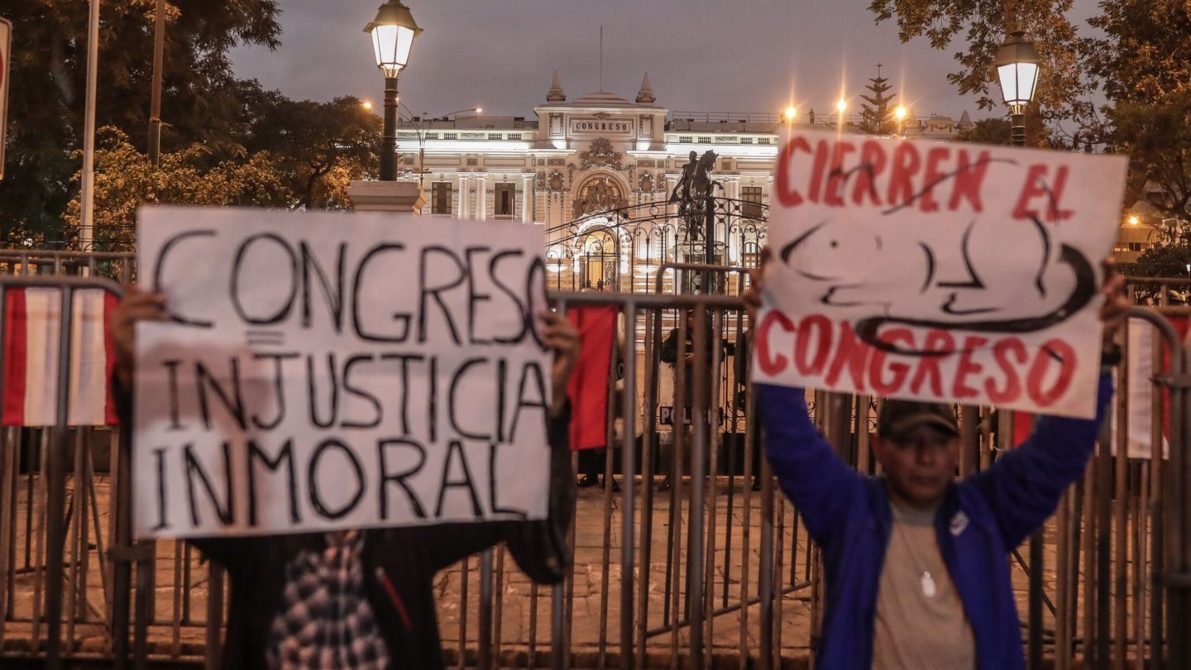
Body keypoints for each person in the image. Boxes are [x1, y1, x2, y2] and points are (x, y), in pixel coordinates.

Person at [109, 287, 580, 670]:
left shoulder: (413, 527)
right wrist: (135, 376)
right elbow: (171, 478)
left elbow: (539, 548)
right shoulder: (258, 523)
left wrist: (547, 409)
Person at [743, 250, 1128, 669]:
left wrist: (1097, 355)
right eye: (910, 442)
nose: (926, 457)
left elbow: (1058, 452)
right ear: (879, 447)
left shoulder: (986, 511)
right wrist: (773, 335)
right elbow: (791, 440)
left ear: (956, 447)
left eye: (939, 442)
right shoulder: (849, 509)